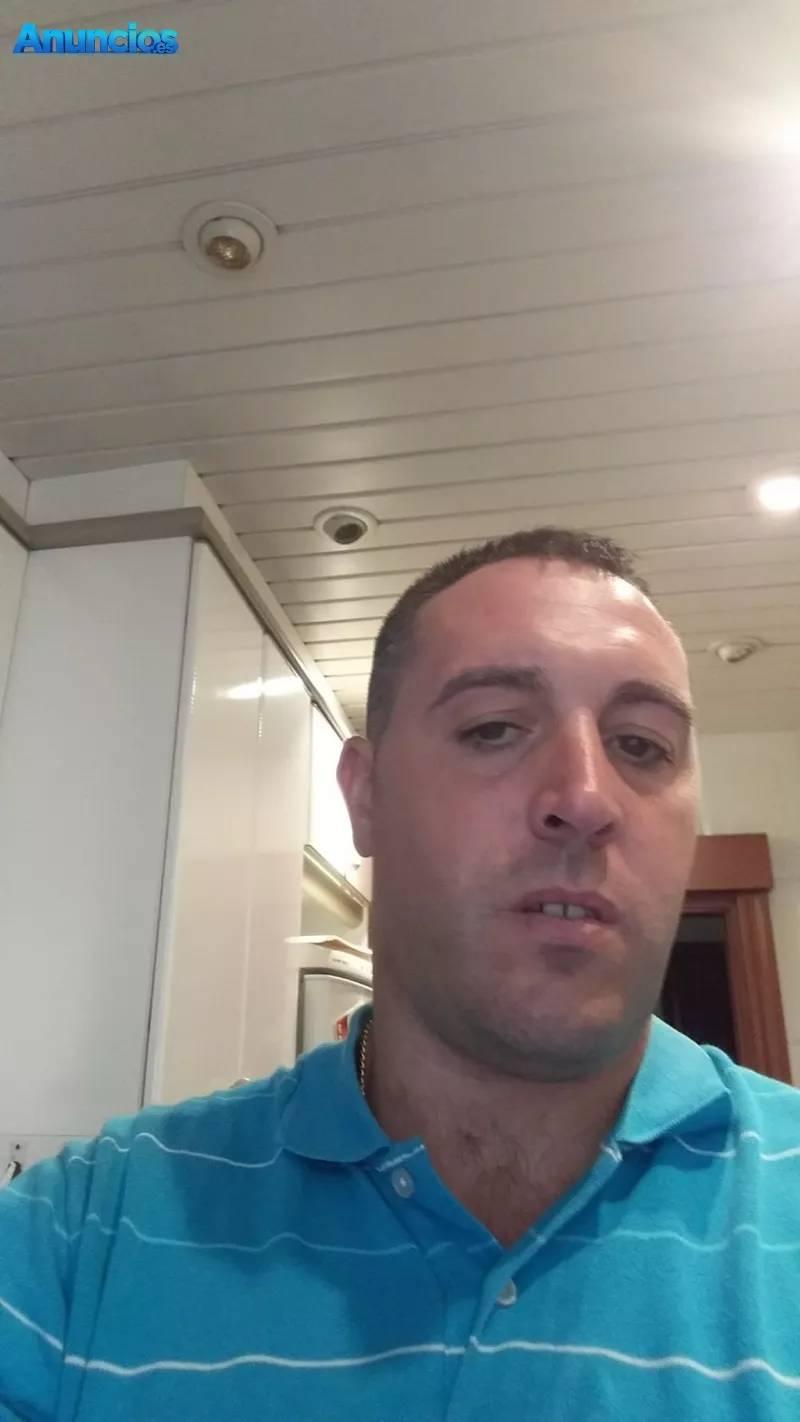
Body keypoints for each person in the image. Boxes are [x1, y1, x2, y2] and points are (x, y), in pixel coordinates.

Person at [2, 526, 799, 1421]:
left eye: (642, 745)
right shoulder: (81, 1237)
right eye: (494, 728)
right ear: (365, 795)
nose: (584, 797)